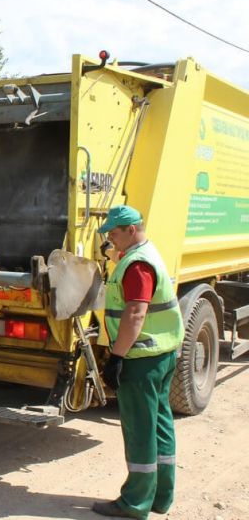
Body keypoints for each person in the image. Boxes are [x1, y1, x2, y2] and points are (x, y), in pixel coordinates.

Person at [92, 205, 184, 519]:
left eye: (114, 234)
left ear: (132, 230)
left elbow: (135, 313)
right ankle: (160, 497)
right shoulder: (147, 254)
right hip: (162, 353)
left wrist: (116, 357)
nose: (110, 240)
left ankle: (134, 503)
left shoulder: (137, 265)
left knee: (140, 429)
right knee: (160, 424)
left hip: (141, 358)